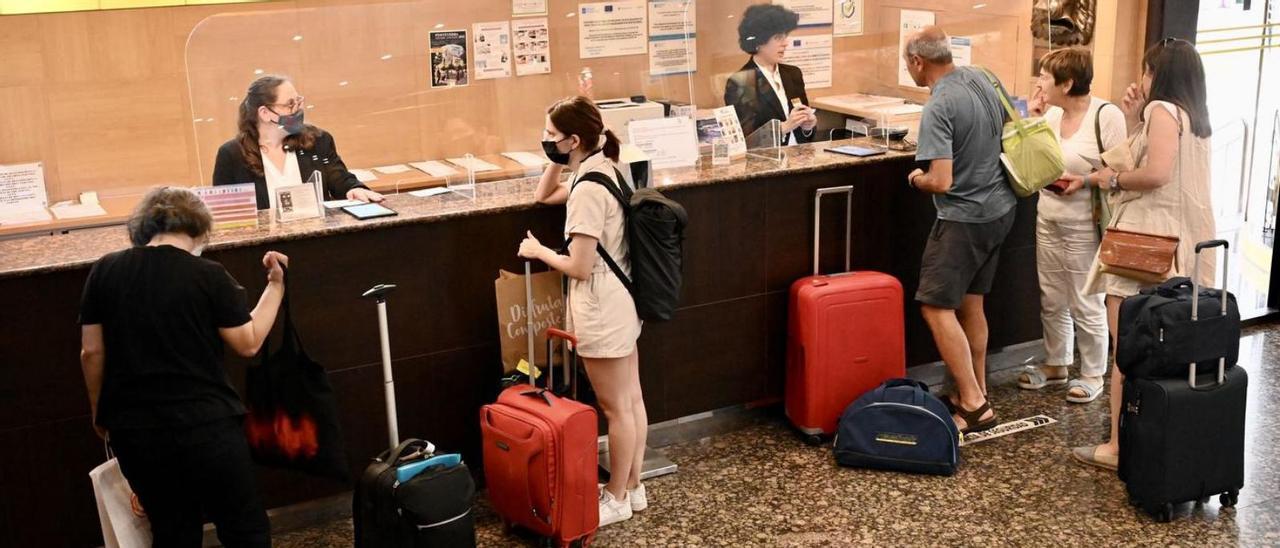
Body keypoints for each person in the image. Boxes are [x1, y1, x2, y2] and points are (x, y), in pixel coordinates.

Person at [79, 187, 289, 547]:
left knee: (172, 530)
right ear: (198, 229)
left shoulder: (105, 271)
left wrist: (100, 413)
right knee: (243, 527)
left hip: (137, 430)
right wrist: (276, 286)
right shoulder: (208, 274)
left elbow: (91, 352)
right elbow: (248, 341)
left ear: (144, 227)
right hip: (208, 426)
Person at [1064, 37, 1216, 470]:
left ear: (1160, 75)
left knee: (1126, 349)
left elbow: (1152, 174)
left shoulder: (1162, 110)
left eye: (1147, 71)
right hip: (1186, 249)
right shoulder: (1195, 117)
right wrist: (1132, 119)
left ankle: (1116, 446)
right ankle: (1161, 440)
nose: (1141, 80)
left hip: (1144, 248)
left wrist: (1109, 181)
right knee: (1171, 351)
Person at [518, 96, 647, 527]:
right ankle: (634, 487)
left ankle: (615, 497)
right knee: (631, 400)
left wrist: (539, 251)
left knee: (616, 409)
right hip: (622, 302)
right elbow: (544, 194)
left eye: (552, 136)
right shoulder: (600, 168)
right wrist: (557, 155)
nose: (545, 141)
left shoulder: (589, 189)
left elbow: (579, 265)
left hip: (602, 308)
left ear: (575, 139)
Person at [903, 26, 1018, 434]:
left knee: (935, 307)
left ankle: (972, 403)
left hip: (963, 218)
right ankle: (978, 388)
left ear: (918, 61)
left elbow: (941, 181)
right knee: (972, 304)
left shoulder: (939, 104)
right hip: (1000, 209)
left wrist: (916, 178)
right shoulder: (984, 77)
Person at [1018, 47, 1127, 404]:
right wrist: (1032, 117)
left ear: (1067, 83)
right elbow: (1029, 159)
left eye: (1046, 77)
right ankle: (1057, 362)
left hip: (1085, 222)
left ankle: (1094, 370)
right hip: (1048, 214)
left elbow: (1119, 172)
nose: (1039, 83)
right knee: (1051, 295)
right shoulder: (1049, 114)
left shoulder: (1105, 115)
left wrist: (1085, 180)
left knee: (1085, 297)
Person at [213, 75, 383, 211]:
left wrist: (354, 189)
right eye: (290, 104)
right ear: (265, 113)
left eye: (298, 101)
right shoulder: (232, 154)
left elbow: (341, 180)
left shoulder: (318, 140)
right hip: (265, 250)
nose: (298, 109)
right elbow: (226, 217)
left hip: (318, 241)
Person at [724, 3, 818, 146]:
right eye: (778, 37)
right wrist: (785, 127)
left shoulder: (793, 73)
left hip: (800, 158)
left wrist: (808, 127)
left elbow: (804, 129)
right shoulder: (742, 81)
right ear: (759, 42)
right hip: (767, 162)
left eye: (786, 36)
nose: (786, 43)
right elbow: (747, 139)